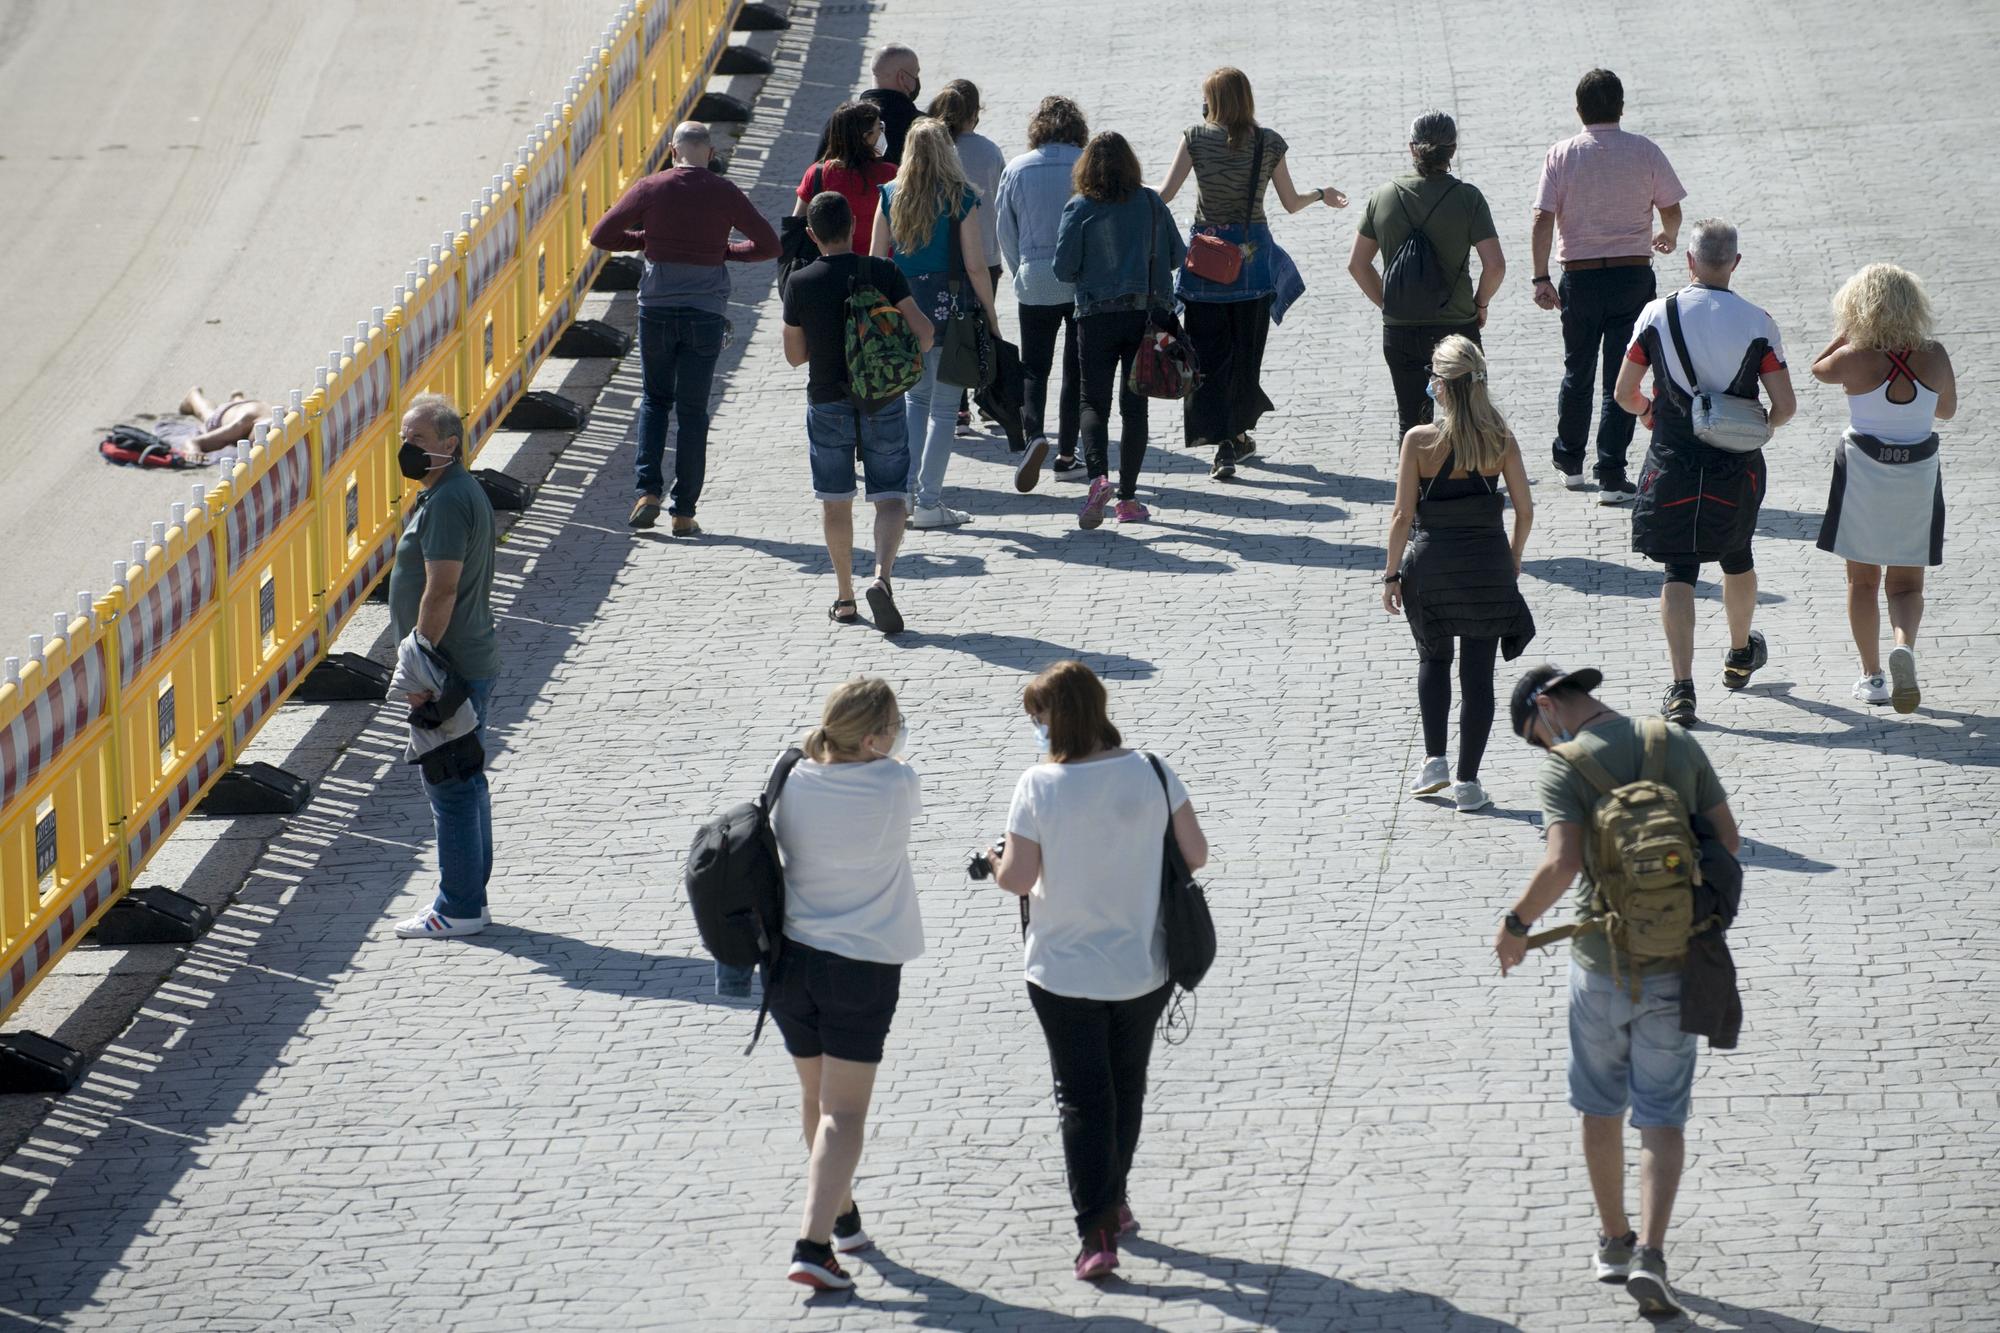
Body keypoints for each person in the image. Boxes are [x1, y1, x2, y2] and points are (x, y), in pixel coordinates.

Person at [1498, 664, 1742, 1320]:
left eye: (1536, 734)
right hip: (1675, 961)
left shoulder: (1566, 767)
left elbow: (1563, 863)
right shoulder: (1675, 742)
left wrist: (1516, 924)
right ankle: (1653, 1255)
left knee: (1599, 1105)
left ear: (1548, 706)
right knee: (1661, 1112)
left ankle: (1613, 1242)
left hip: (1601, 965)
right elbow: (1729, 839)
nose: (1545, 747)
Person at [982, 661, 1209, 1282]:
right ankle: (1116, 1199)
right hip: (1144, 963)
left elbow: (1021, 879)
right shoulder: (1154, 770)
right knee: (1126, 1084)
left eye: (1037, 720)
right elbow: (1196, 854)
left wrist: (995, 860)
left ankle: (1096, 1232)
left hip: (1061, 973)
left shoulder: (1037, 786)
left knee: (1082, 1099)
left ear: (1055, 721)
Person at [766, 676, 924, 1291]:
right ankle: (813, 1244)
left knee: (816, 1099)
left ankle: (845, 1215)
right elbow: (898, 780)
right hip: (861, 967)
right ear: (878, 736)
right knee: (845, 1110)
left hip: (790, 962)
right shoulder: (897, 782)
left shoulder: (791, 778)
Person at [1613, 219, 1797, 726]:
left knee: (1679, 570)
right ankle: (1740, 654)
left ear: (1689, 261)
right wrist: (1757, 426)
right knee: (1737, 556)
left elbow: (1624, 393)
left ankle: (1681, 689)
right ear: (1734, 263)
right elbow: (1784, 405)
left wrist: (1649, 410)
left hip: (1672, 462)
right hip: (1734, 468)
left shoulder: (1656, 315)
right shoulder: (1758, 322)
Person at [590, 121, 779, 536]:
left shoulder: (651, 187)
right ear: (709, 154)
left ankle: (647, 493)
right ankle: (684, 512)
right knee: (693, 413)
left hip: (655, 311)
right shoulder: (724, 191)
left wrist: (646, 240)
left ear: (673, 152)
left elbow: (602, 234)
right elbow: (769, 245)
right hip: (705, 314)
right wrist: (724, 250)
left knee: (656, 401)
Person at [1160, 67, 1346, 479]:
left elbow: (1165, 194)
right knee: (1247, 354)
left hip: (1206, 265)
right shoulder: (1268, 142)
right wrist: (1322, 194)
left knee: (1208, 354)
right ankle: (1236, 436)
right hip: (1252, 264)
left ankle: (1222, 443)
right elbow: (1291, 202)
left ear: (1214, 100)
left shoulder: (1193, 138)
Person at [1380, 336, 1535, 812]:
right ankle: (1469, 782)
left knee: (1433, 661)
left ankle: (1434, 762)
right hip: (1486, 566)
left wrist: (1390, 575)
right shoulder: (1500, 438)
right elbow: (1525, 512)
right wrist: (1511, 558)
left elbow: (1402, 517)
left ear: (1443, 388)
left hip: (1430, 569)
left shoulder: (1419, 441)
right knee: (1479, 677)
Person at [1531, 69, 1686, 503]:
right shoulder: (1644, 151)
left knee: (1576, 370)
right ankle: (1613, 474)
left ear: (1579, 110)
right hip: (1632, 275)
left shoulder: (1561, 154)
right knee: (1624, 373)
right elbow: (1671, 208)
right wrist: (1668, 235)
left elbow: (1542, 217)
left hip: (1579, 279)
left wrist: (1541, 276)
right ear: (1621, 107)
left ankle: (1571, 462)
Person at [782, 191, 933, 633]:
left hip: (827, 399)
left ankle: (845, 597)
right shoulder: (882, 271)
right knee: (890, 495)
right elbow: (924, 335)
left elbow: (794, 356)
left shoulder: (800, 282)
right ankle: (882, 578)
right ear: (855, 226)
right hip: (882, 397)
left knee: (835, 501)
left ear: (812, 234)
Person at [1810, 264, 1957, 713]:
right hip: (1916, 474)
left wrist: (1845, 333)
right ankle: (1904, 648)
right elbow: (1947, 412)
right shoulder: (1934, 354)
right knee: (1907, 584)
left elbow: (1817, 369)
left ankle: (1872, 676)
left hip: (1864, 473)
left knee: (1862, 581)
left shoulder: (1853, 357)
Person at [388, 395, 502, 940]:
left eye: (417, 441)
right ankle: (469, 899)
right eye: (404, 438)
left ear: (449, 445)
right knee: (467, 781)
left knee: (451, 788)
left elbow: (442, 588)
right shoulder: (452, 492)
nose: (406, 449)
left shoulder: (450, 499)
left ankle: (457, 907)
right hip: (465, 662)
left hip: (448, 670)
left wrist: (418, 670)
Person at [870, 118, 1001, 528]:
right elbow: (977, 266)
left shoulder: (890, 194)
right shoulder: (960, 197)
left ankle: (906, 495)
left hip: (903, 308)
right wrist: (992, 317)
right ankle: (929, 502)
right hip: (950, 308)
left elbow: (877, 260)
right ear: (949, 152)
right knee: (945, 410)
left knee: (914, 401)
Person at [1051, 132, 1185, 529]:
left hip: (1095, 316)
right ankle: (1127, 499)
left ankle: (1097, 479)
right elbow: (1177, 256)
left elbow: (1062, 268)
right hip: (1147, 318)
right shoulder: (1150, 202)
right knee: (1135, 406)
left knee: (1092, 402)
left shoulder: (1080, 207)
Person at [1348, 111, 1505, 443]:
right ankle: (1469, 485)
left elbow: (1358, 265)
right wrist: (1480, 304)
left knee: (1413, 423)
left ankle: (1416, 490)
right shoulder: (1468, 198)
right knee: (1468, 417)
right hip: (1457, 325)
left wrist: (1389, 303)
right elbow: (1495, 266)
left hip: (1401, 328)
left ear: (1411, 148)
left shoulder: (1384, 196)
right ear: (1453, 150)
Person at [997, 96, 1089, 485]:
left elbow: (1005, 228)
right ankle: (1068, 455)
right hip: (1082, 279)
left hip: (1034, 276)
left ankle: (1034, 434)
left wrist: (1021, 271)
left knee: (1034, 367)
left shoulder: (1018, 167)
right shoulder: (1087, 163)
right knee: (1075, 369)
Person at [927, 80, 1008, 440]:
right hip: (986, 252)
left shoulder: (931, 150)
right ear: (976, 113)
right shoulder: (989, 151)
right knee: (982, 324)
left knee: (951, 328)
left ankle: (956, 404)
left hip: (943, 256)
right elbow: (1003, 202)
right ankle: (988, 395)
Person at [792, 102, 899, 252]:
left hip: (832, 267)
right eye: (879, 128)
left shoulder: (817, 174)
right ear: (866, 137)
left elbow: (797, 222)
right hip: (879, 268)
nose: (882, 133)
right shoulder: (891, 174)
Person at [859, 44, 922, 165]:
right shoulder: (921, 126)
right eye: (916, 74)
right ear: (902, 78)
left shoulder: (841, 121)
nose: (917, 80)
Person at [176, 386, 270, 457]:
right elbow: (195, 442)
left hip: (253, 405)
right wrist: (193, 451)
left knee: (244, 410)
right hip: (228, 413)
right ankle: (193, 396)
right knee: (208, 414)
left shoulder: (282, 417)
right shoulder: (240, 425)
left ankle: (237, 397)